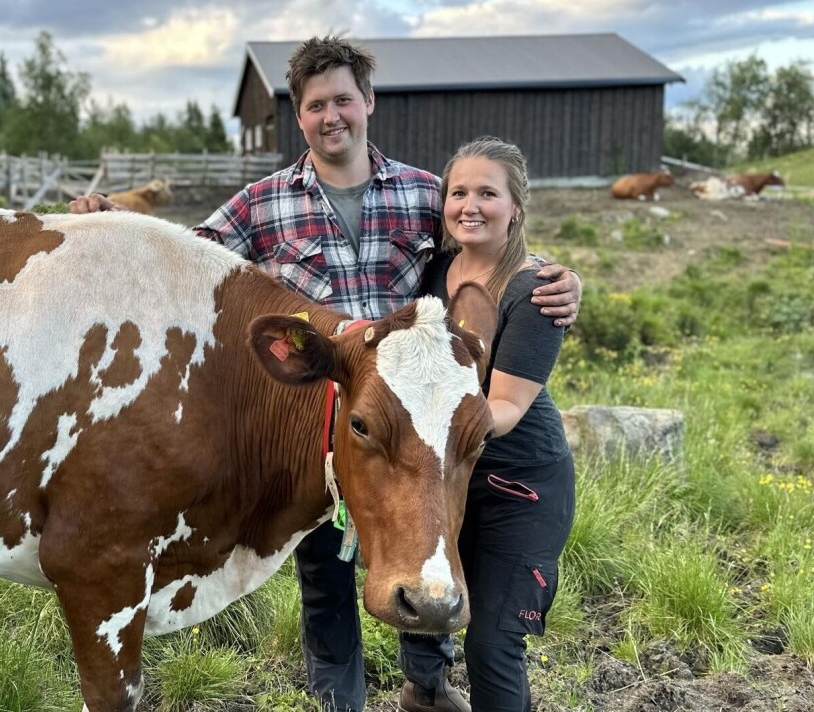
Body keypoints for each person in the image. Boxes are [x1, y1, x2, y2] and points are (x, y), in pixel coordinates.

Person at [71, 37, 581, 712]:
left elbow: (485, 241)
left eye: (343, 99)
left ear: (368, 102)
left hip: (409, 414)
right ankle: (339, 700)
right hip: (318, 419)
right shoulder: (264, 202)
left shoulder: (423, 193)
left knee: (420, 534)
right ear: (299, 115)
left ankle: (427, 686)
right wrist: (117, 226)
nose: (331, 116)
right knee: (325, 576)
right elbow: (189, 258)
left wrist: (555, 279)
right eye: (315, 106)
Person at [406, 136, 575, 712]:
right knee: (426, 605)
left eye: (487, 193)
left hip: (518, 481)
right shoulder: (432, 272)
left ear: (516, 207)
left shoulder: (535, 291)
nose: (469, 206)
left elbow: (503, 409)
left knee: (492, 642)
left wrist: (422, 425)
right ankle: (425, 696)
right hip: (451, 474)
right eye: (458, 193)